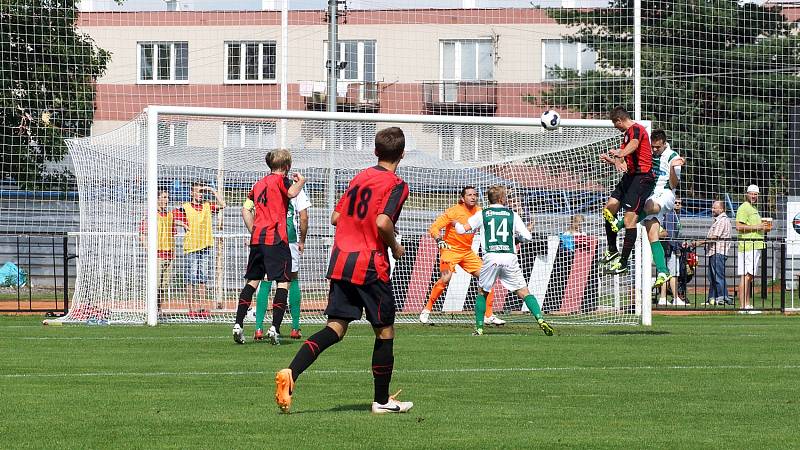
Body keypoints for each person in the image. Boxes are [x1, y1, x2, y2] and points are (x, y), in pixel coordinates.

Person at [275, 127, 413, 414]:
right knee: (385, 331)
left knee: (335, 328)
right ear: (402, 154)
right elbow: (383, 223)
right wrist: (396, 247)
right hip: (369, 264)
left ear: (375, 152)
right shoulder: (397, 184)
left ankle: (291, 372)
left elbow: (336, 217)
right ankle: (382, 401)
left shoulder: (359, 177)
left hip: (341, 261)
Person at [454, 185, 554, 337]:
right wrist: (515, 237)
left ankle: (480, 329)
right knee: (524, 292)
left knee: (482, 292)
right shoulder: (511, 214)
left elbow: (462, 230)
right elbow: (527, 237)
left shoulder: (483, 213)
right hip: (509, 257)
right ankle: (540, 319)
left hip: (491, 257)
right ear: (501, 199)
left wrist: (454, 223)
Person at [233, 149, 306, 345]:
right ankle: (274, 328)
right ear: (287, 167)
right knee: (283, 282)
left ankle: (238, 324)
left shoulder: (258, 184)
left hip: (258, 239)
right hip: (276, 239)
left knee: (253, 281)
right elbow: (291, 193)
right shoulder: (282, 180)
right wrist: (301, 181)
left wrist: (253, 230)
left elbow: (246, 209)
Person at [610, 130, 685, 290]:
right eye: (653, 147)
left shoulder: (673, 157)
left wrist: (672, 168)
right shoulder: (649, 154)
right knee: (653, 236)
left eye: (658, 147)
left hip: (665, 194)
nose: (655, 150)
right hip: (651, 193)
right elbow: (633, 167)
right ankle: (663, 271)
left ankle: (619, 224)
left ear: (664, 143)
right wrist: (614, 160)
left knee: (647, 206)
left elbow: (673, 184)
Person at [419, 186, 500, 326]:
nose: (473, 197)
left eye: (475, 194)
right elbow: (434, 227)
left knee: (487, 277)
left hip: (467, 252)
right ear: (463, 198)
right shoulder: (453, 212)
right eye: (469, 195)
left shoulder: (480, 212)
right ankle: (427, 309)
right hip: (450, 250)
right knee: (446, 277)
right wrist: (439, 240)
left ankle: (489, 315)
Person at [245, 184, 311, 341]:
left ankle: (259, 328)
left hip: (268, 237)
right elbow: (303, 216)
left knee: (266, 279)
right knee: (291, 278)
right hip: (289, 237)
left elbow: (249, 209)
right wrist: (302, 240)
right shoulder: (294, 187)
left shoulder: (265, 185)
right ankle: (294, 327)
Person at [599, 106, 655, 275]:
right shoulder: (626, 135)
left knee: (630, 220)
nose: (617, 129)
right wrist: (613, 160)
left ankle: (623, 262)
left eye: (616, 126)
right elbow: (625, 165)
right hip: (630, 177)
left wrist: (620, 153)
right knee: (609, 208)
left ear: (619, 121)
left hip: (642, 179)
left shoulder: (636, 129)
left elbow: (635, 144)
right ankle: (612, 249)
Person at [174, 182, 226, 318]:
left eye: (202, 191)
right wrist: (183, 224)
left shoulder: (207, 206)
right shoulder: (185, 207)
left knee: (202, 278)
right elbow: (171, 218)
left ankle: (202, 308)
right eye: (197, 191)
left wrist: (212, 190)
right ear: (192, 193)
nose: (200, 194)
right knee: (191, 278)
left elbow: (223, 205)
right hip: (191, 246)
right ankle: (191, 308)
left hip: (205, 245)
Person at [138, 189, 188, 307]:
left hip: (169, 254)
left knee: (164, 286)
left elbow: (171, 225)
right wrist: (149, 250)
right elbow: (142, 234)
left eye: (167, 197)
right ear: (157, 199)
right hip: (157, 255)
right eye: (164, 197)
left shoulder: (169, 215)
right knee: (155, 284)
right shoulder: (151, 215)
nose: (167, 200)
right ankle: (151, 309)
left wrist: (183, 224)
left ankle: (158, 309)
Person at [736, 184, 769, 312]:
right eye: (751, 193)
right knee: (746, 276)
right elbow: (738, 226)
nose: (754, 196)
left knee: (749, 276)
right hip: (748, 245)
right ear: (747, 194)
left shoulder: (753, 208)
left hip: (754, 245)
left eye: (756, 194)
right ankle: (743, 306)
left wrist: (763, 228)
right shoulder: (744, 208)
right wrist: (758, 227)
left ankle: (747, 304)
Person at [695, 200, 732, 305]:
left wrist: (699, 242)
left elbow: (715, 237)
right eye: (712, 207)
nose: (712, 209)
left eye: (715, 208)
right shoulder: (718, 220)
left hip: (718, 251)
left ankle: (722, 297)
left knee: (718, 276)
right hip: (714, 252)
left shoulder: (722, 221)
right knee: (712, 277)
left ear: (721, 209)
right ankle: (712, 298)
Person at [658, 197, 684, 306]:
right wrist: (676, 247)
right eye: (676, 202)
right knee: (673, 274)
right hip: (669, 248)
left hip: (667, 247)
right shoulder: (670, 214)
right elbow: (670, 233)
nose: (678, 204)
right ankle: (675, 298)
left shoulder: (675, 215)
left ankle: (663, 298)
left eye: (679, 203)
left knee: (666, 273)